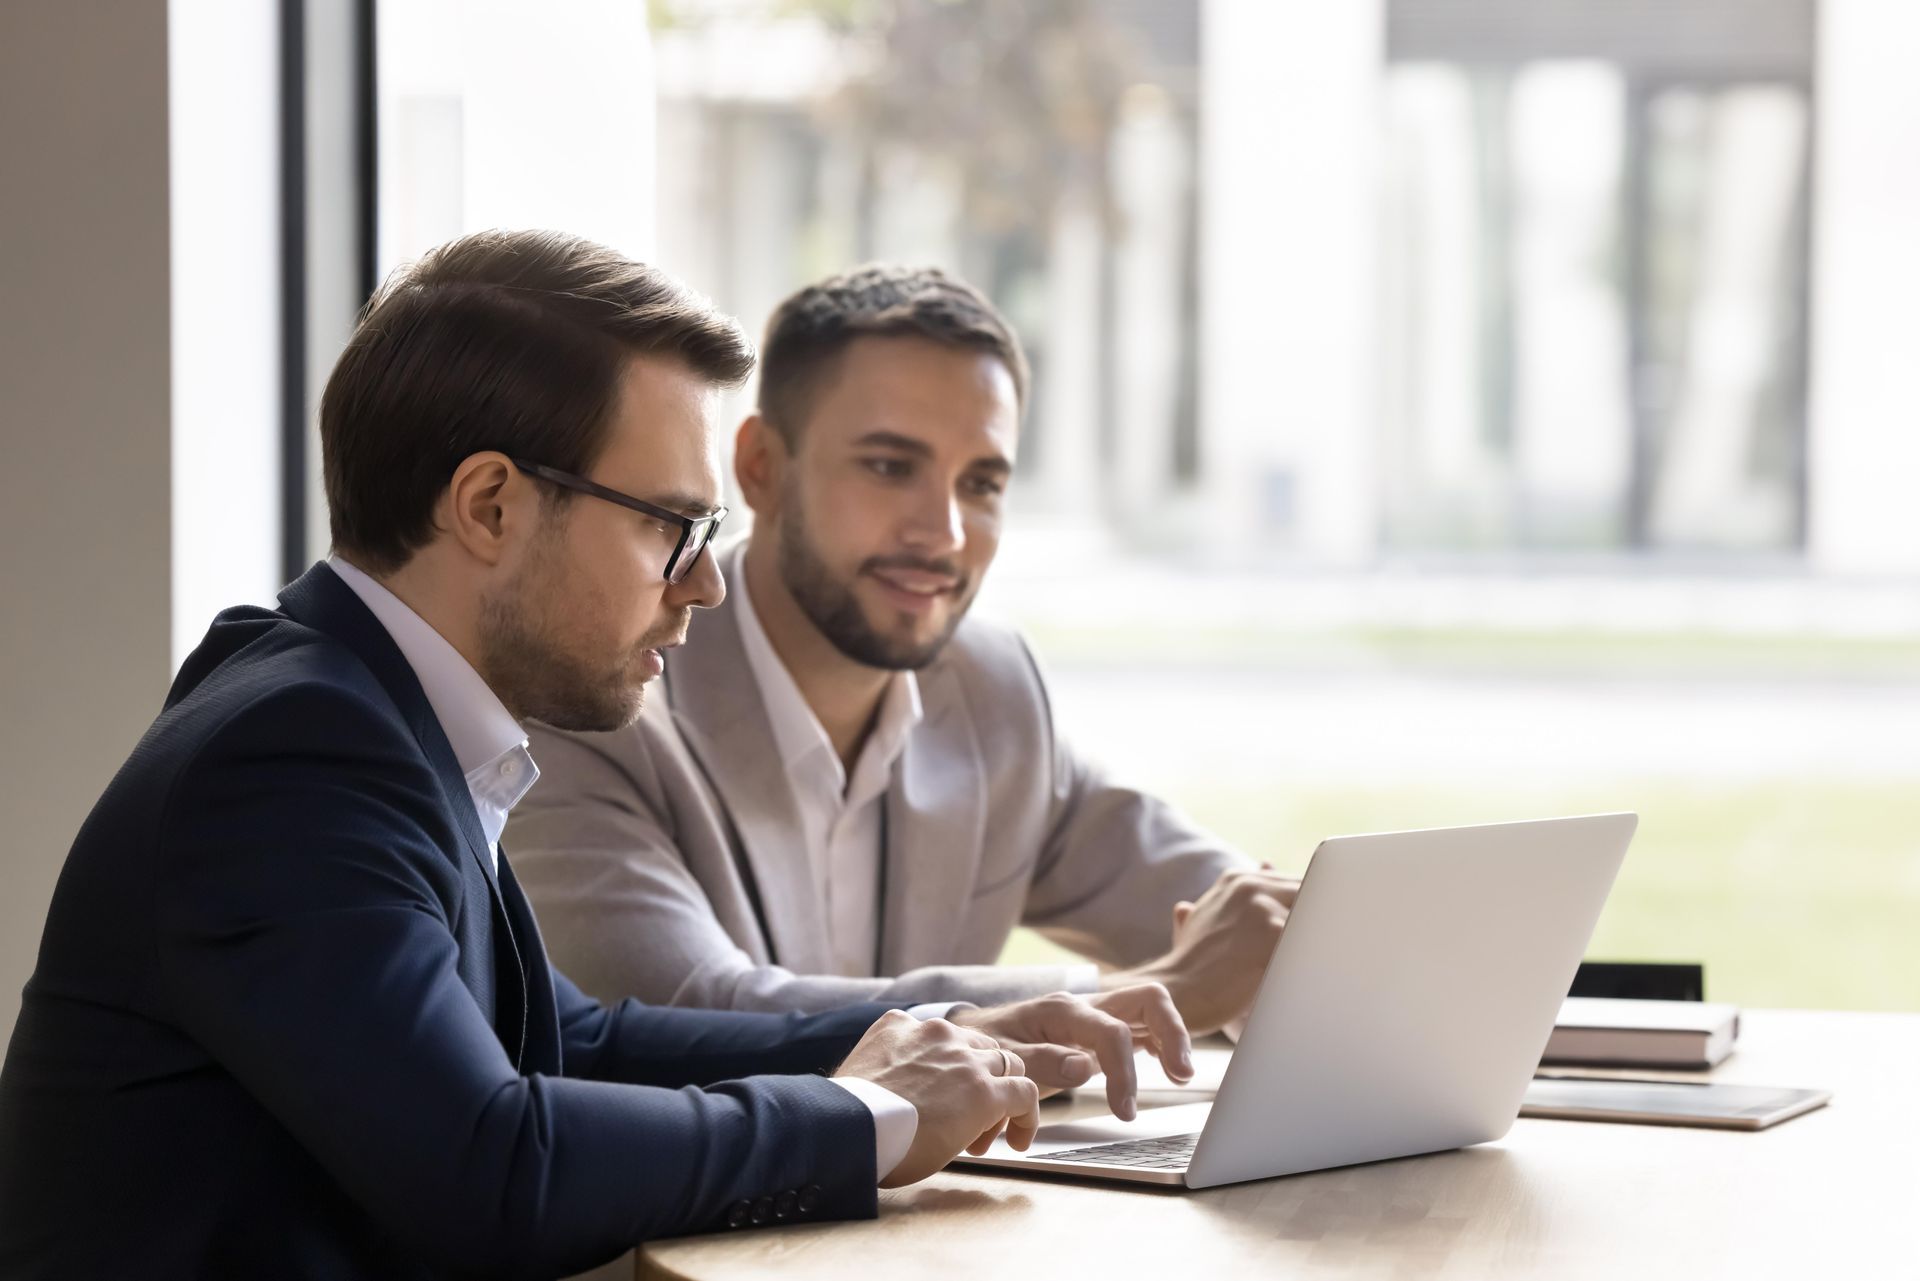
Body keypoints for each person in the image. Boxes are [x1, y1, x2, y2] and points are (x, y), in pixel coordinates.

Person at [0, 232, 1191, 1280]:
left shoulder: (361, 708)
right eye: (669, 526)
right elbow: (494, 1171)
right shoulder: (295, 757)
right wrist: (868, 1115)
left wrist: (954, 1030)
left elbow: (571, 1041)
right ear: (489, 506)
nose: (705, 582)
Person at [508, 265, 1298, 1037]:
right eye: (890, 467)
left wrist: (1300, 935)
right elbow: (698, 1014)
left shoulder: (991, 689)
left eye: (982, 483)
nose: (944, 534)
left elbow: (1232, 918)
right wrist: (1152, 998)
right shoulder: (597, 694)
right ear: (761, 469)